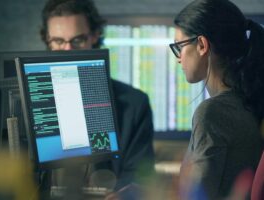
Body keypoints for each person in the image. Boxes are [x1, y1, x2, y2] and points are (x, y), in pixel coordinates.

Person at [39, 0, 155, 197]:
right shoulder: (32, 100)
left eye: (77, 40)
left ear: (94, 36)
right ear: (47, 41)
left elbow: (139, 178)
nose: (67, 51)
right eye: (58, 41)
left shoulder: (134, 104)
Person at [168, 0, 264, 199]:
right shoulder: (250, 101)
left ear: (202, 45)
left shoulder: (213, 113)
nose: (178, 58)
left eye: (179, 46)